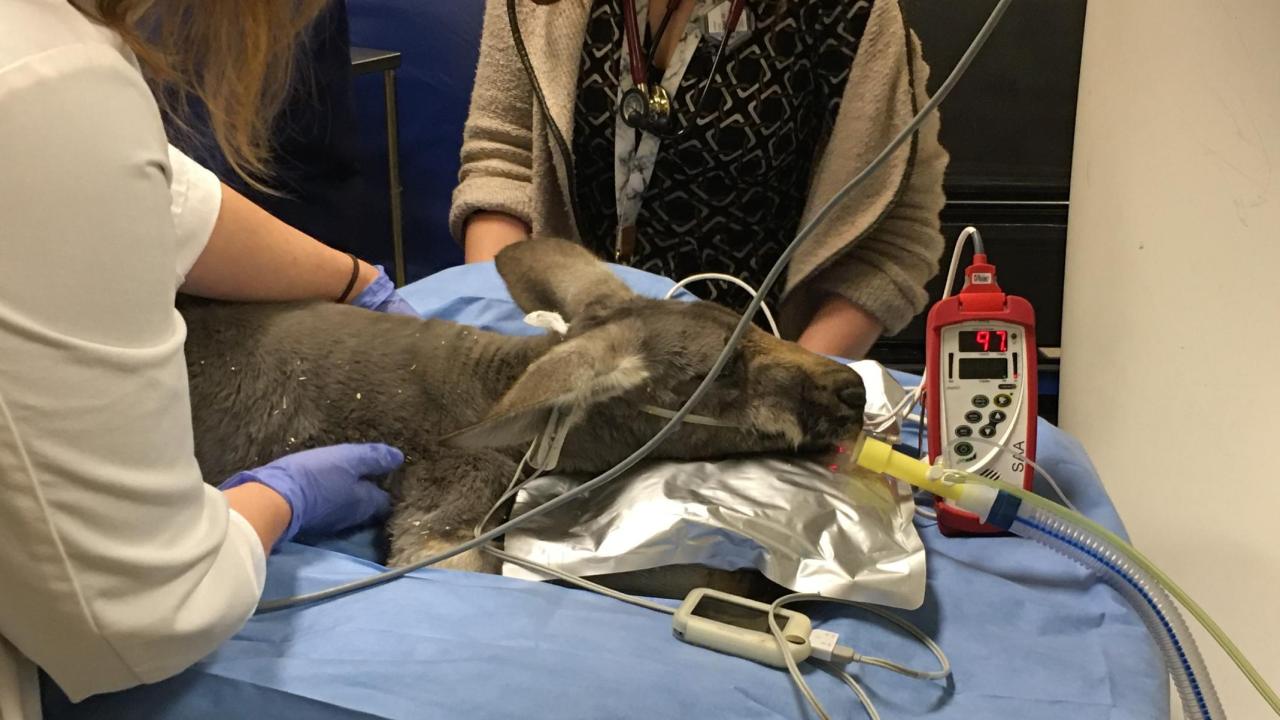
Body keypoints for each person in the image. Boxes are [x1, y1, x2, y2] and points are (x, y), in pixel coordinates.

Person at [0, 1, 412, 716]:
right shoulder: (40, 76)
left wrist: (350, 278)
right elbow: (133, 616)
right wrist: (280, 498)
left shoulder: (48, 70)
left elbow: (155, 188)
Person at [452, 0, 949, 360]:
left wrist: (796, 383)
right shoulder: (544, 7)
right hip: (571, 360)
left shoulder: (849, 14)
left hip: (758, 373)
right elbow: (504, 161)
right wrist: (502, 338)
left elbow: (892, 236)